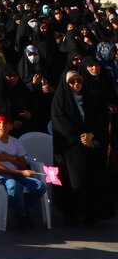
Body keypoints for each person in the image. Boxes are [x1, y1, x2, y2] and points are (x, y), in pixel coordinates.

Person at [51, 70, 113, 224]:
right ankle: (75, 213)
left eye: (79, 81)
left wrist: (91, 135)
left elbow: (98, 120)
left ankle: (91, 213)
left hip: (90, 143)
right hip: (70, 146)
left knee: (95, 172)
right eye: (72, 82)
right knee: (77, 175)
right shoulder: (60, 101)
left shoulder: (89, 99)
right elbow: (61, 124)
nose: (76, 84)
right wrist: (80, 137)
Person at [0, 113, 45, 230]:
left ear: (11, 126)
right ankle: (22, 216)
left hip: (17, 172)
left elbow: (23, 165)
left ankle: (21, 210)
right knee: (14, 186)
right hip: (1, 174)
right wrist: (20, 172)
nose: (2, 126)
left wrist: (10, 159)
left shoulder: (16, 142)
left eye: (5, 123)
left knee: (40, 186)